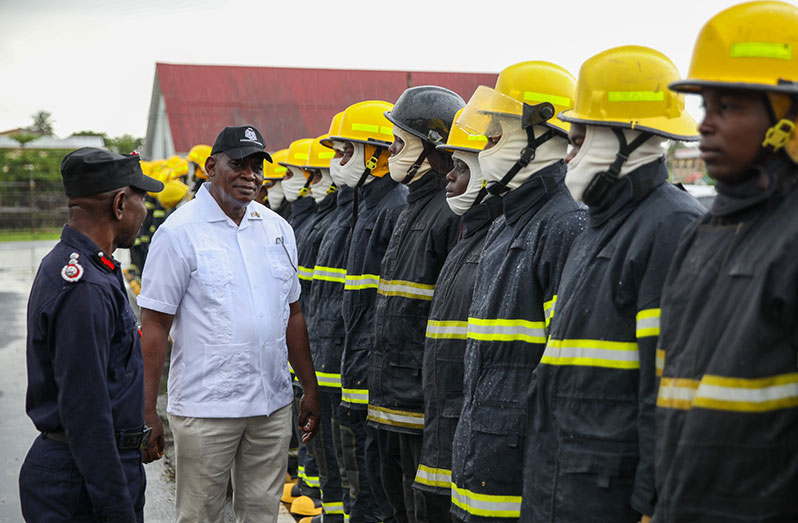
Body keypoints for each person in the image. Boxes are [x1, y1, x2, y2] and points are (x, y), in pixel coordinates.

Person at [521, 46, 704, 523]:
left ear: (628, 137)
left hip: (610, 497)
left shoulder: (671, 226)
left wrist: (652, 504)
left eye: (579, 140)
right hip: (563, 486)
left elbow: (666, 391)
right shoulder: (598, 226)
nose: (569, 155)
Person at [654, 2, 798, 521]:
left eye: (729, 107)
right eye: (705, 106)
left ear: (789, 120)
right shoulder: (702, 234)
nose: (705, 125)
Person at [138, 125, 320, 523]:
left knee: (260, 514)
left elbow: (293, 313)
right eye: (238, 164)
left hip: (270, 407)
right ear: (210, 167)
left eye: (257, 166)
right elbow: (153, 325)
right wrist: (147, 408)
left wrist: (309, 387)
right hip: (207, 409)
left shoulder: (277, 230)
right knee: (201, 515)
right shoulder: (178, 234)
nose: (250, 175)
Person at [449, 61, 586, 522]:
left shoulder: (563, 226)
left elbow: (566, 379)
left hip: (520, 470)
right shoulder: (508, 221)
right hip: (483, 457)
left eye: (496, 135)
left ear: (542, 137)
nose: (487, 149)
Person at [19, 147, 163, 522]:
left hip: (92, 469)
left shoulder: (87, 267)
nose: (144, 211)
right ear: (119, 204)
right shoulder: (86, 286)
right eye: (140, 198)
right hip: (83, 480)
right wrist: (115, 507)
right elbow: (87, 411)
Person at [368, 85, 464, 523]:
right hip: (392, 400)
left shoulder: (450, 214)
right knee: (393, 503)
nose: (390, 152)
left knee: (419, 508)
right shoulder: (412, 208)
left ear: (433, 150)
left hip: (421, 407)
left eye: (399, 142)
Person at [415, 107, 503, 521]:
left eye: (460, 168)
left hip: (466, 430)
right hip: (444, 423)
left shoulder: (490, 242)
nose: (448, 176)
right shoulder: (468, 237)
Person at [336, 100, 408, 523]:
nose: (338, 162)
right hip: (357, 368)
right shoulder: (367, 205)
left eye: (347, 151)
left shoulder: (392, 208)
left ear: (375, 154)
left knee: (374, 491)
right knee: (359, 483)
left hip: (374, 376)